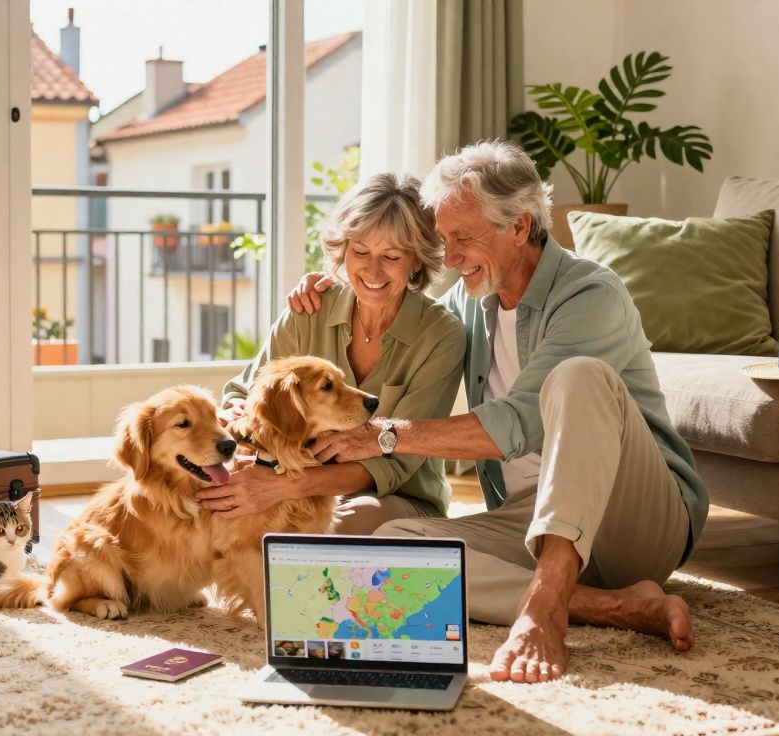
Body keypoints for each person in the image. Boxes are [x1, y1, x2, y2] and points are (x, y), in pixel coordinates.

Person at [286, 141, 708, 684]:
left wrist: (384, 435)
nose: (451, 255)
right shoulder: (470, 297)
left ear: (520, 227)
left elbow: (517, 423)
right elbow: (399, 302)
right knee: (394, 546)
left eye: (465, 237)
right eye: (443, 238)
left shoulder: (590, 294)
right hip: (527, 516)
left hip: (632, 521)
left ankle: (546, 608)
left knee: (578, 376)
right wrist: (334, 287)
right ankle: (614, 607)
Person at [195, 172, 465, 535]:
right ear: (343, 249)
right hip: (286, 479)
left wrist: (283, 487)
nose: (371, 270)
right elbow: (243, 394)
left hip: (394, 497)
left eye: (391, 256)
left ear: (416, 261)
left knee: (337, 528)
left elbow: (395, 465)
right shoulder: (309, 309)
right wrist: (236, 418)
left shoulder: (440, 336)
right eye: (359, 252)